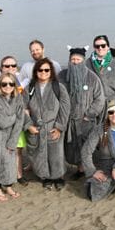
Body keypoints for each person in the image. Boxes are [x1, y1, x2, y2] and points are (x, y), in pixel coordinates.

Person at [58, 47, 105, 180]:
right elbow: (55, 95)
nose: (75, 62)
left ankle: (82, 169)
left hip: (85, 121)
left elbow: (99, 99)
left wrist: (88, 115)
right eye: (72, 59)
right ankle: (62, 170)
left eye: (78, 59)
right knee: (67, 147)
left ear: (83, 61)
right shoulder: (62, 76)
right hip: (67, 120)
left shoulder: (92, 78)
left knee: (84, 146)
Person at [23, 58, 70, 191]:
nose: (43, 72)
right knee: (39, 154)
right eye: (40, 70)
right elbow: (23, 108)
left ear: (51, 71)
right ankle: (45, 177)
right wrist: (29, 126)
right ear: (36, 71)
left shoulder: (58, 87)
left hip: (53, 126)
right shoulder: (29, 89)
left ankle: (58, 177)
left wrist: (60, 127)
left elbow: (65, 108)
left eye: (46, 70)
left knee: (56, 154)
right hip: (36, 127)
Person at [0, 56, 29, 186]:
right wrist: (17, 116)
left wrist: (22, 116)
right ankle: (1, 182)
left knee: (18, 150)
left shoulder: (20, 81)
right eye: (7, 66)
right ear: (1, 68)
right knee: (4, 153)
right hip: (1, 129)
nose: (10, 68)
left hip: (17, 126)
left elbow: (25, 102)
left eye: (13, 65)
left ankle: (18, 175)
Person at [0, 73, 24, 201]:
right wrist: (15, 116)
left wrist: (13, 140)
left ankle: (8, 186)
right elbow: (2, 122)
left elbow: (20, 120)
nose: (8, 86)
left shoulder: (17, 98)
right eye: (4, 84)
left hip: (11, 134)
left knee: (11, 162)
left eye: (11, 84)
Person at [85, 35, 115, 108]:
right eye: (97, 46)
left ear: (107, 47)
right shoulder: (86, 64)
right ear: (94, 47)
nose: (100, 48)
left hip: (111, 105)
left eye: (103, 45)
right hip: (93, 106)